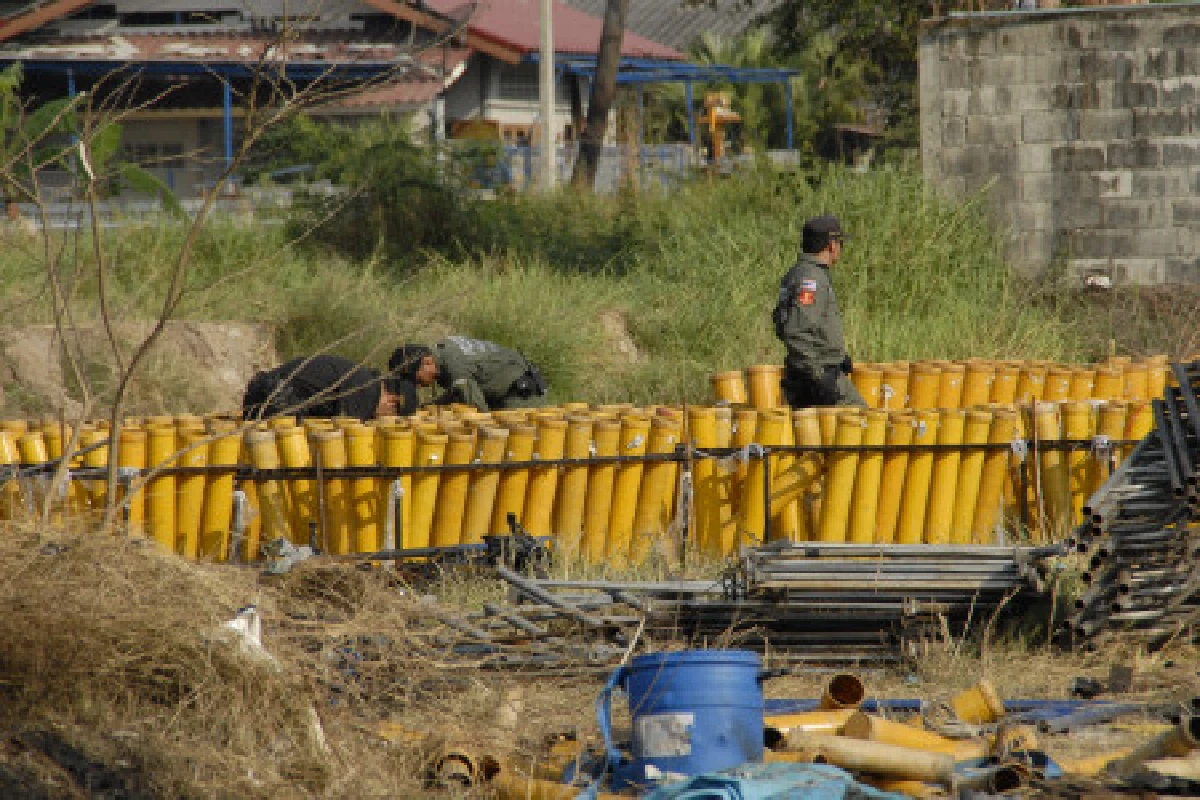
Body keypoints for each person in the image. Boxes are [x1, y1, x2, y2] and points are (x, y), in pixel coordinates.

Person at [772, 215, 866, 408]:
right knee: (861, 419)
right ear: (831, 245)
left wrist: (837, 356)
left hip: (807, 371)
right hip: (815, 376)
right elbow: (797, 332)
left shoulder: (798, 272)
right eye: (840, 243)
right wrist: (819, 375)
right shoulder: (812, 279)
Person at [389, 336, 548, 412]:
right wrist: (428, 407)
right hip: (502, 390)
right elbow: (458, 392)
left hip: (522, 393)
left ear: (427, 362)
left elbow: (481, 413)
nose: (417, 386)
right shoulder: (444, 354)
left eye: (416, 380)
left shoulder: (453, 364)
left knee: (511, 444)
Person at [242, 353, 416, 421]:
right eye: (392, 416)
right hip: (276, 399)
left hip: (265, 391)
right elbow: (344, 430)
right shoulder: (366, 394)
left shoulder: (363, 378)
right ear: (393, 401)